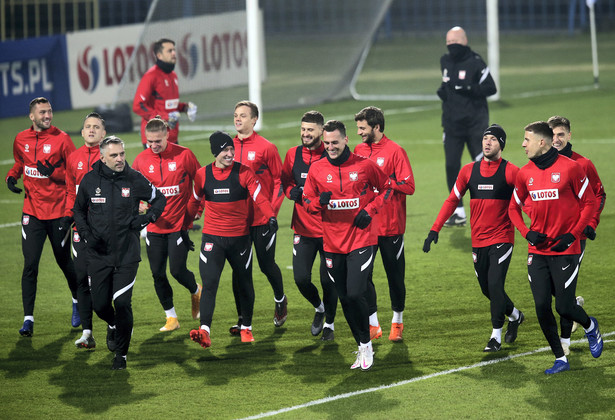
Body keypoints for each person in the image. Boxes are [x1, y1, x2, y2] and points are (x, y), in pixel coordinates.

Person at [508, 121, 602, 374]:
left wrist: (572, 236)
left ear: (542, 142)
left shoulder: (572, 168)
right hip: (537, 252)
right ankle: (560, 357)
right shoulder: (524, 173)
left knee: (563, 307)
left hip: (566, 250)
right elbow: (513, 208)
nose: (523, 144)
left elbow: (591, 202)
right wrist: (527, 233)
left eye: (527, 139)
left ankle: (590, 326)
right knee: (541, 306)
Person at [423, 124, 525, 352]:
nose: (487, 142)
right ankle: (516, 316)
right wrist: (434, 229)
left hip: (502, 238)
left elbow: (526, 203)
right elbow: (452, 200)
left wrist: (535, 229)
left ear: (502, 144)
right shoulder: (469, 170)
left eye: (493, 139)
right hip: (478, 241)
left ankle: (495, 336)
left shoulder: (512, 172)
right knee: (487, 289)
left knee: (496, 285)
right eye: (485, 138)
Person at [303, 120, 392, 371]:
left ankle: (366, 343)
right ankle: (363, 345)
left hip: (362, 240)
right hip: (332, 243)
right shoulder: (317, 170)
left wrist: (371, 209)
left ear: (345, 140)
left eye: (335, 142)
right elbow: (307, 202)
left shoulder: (364, 166)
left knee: (355, 292)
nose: (330, 147)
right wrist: (318, 203)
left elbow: (386, 188)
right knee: (344, 297)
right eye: (327, 143)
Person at [73, 136, 166, 370]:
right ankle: (114, 324)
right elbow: (78, 210)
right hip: (98, 255)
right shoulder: (89, 180)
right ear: (102, 158)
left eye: (122, 154)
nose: (120, 159)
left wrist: (147, 219)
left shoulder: (134, 179)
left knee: (123, 302)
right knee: (100, 305)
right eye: (114, 155)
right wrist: (85, 234)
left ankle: (121, 355)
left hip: (126, 254)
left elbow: (159, 199)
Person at [186, 131, 278, 349]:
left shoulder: (244, 172)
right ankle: (205, 331)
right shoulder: (202, 175)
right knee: (209, 284)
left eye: (231, 150)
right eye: (225, 150)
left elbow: (259, 196)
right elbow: (194, 202)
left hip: (239, 240)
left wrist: (270, 215)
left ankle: (246, 327)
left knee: (245, 282)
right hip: (213, 240)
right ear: (215, 152)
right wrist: (184, 226)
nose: (229, 154)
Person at [5, 97, 79, 337]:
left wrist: (54, 174)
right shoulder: (21, 139)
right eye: (43, 112)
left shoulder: (63, 140)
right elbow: (20, 162)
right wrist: (12, 176)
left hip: (58, 213)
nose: (47, 116)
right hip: (32, 213)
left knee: (64, 261)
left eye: (49, 111)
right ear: (32, 116)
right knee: (30, 265)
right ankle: (28, 319)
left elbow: (75, 175)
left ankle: (77, 300)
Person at [132, 117, 202, 332]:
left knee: (177, 271)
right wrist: (140, 206)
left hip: (178, 224)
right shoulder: (140, 160)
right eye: (149, 141)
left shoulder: (184, 154)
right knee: (157, 273)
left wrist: (197, 210)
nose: (153, 145)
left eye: (157, 141)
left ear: (167, 135)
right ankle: (171, 317)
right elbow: (132, 191)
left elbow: (201, 180)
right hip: (154, 227)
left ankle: (196, 290)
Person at [353, 106, 415, 342]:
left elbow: (409, 186)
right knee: (364, 276)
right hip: (366, 225)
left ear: (376, 127)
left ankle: (397, 322)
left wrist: (384, 182)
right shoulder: (358, 150)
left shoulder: (395, 151)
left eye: (363, 128)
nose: (359, 132)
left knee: (394, 277)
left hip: (390, 227)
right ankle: (373, 324)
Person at [547, 115, 606, 355]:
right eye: (552, 135)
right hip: (549, 236)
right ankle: (574, 308)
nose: (557, 139)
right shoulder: (543, 164)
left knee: (562, 292)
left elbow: (599, 195)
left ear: (569, 136)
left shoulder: (583, 164)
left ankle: (564, 345)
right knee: (551, 287)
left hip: (575, 238)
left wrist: (590, 224)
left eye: (561, 134)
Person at [230, 100, 287, 332]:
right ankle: (243, 319)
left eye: (243, 115)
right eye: (235, 115)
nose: (238, 119)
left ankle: (280, 300)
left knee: (265, 264)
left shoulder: (266, 147)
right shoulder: (227, 147)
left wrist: (271, 212)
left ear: (254, 120)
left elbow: (279, 181)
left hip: (262, 219)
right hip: (237, 221)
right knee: (239, 270)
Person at [281, 111, 338, 341]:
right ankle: (319, 308)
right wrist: (289, 192)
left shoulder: (332, 154)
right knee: (301, 278)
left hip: (329, 231)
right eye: (303, 129)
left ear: (321, 132)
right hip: (303, 229)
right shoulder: (293, 154)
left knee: (328, 279)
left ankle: (330, 325)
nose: (305, 133)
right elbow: (285, 181)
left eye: (310, 130)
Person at [437, 26, 497, 227]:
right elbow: (447, 85)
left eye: (455, 42)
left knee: (483, 168)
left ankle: (490, 210)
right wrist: (443, 91)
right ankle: (459, 212)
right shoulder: (444, 61)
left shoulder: (476, 63)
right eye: (448, 43)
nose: (451, 46)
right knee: (452, 166)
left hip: (475, 125)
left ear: (464, 41)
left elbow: (491, 87)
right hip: (452, 125)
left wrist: (470, 88)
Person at [64, 112, 107, 349]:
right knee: (81, 279)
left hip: (104, 231)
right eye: (87, 127)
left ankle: (113, 325)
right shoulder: (74, 158)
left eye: (96, 127)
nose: (91, 130)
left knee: (105, 281)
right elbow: (71, 191)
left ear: (103, 133)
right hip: (80, 229)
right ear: (82, 133)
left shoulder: (111, 157)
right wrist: (69, 216)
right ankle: (87, 333)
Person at [133, 38, 197, 148]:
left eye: (174, 50)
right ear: (159, 55)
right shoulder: (151, 76)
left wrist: (185, 108)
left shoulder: (173, 75)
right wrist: (163, 117)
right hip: (155, 138)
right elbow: (138, 106)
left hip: (171, 137)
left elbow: (169, 104)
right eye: (169, 51)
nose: (174, 53)